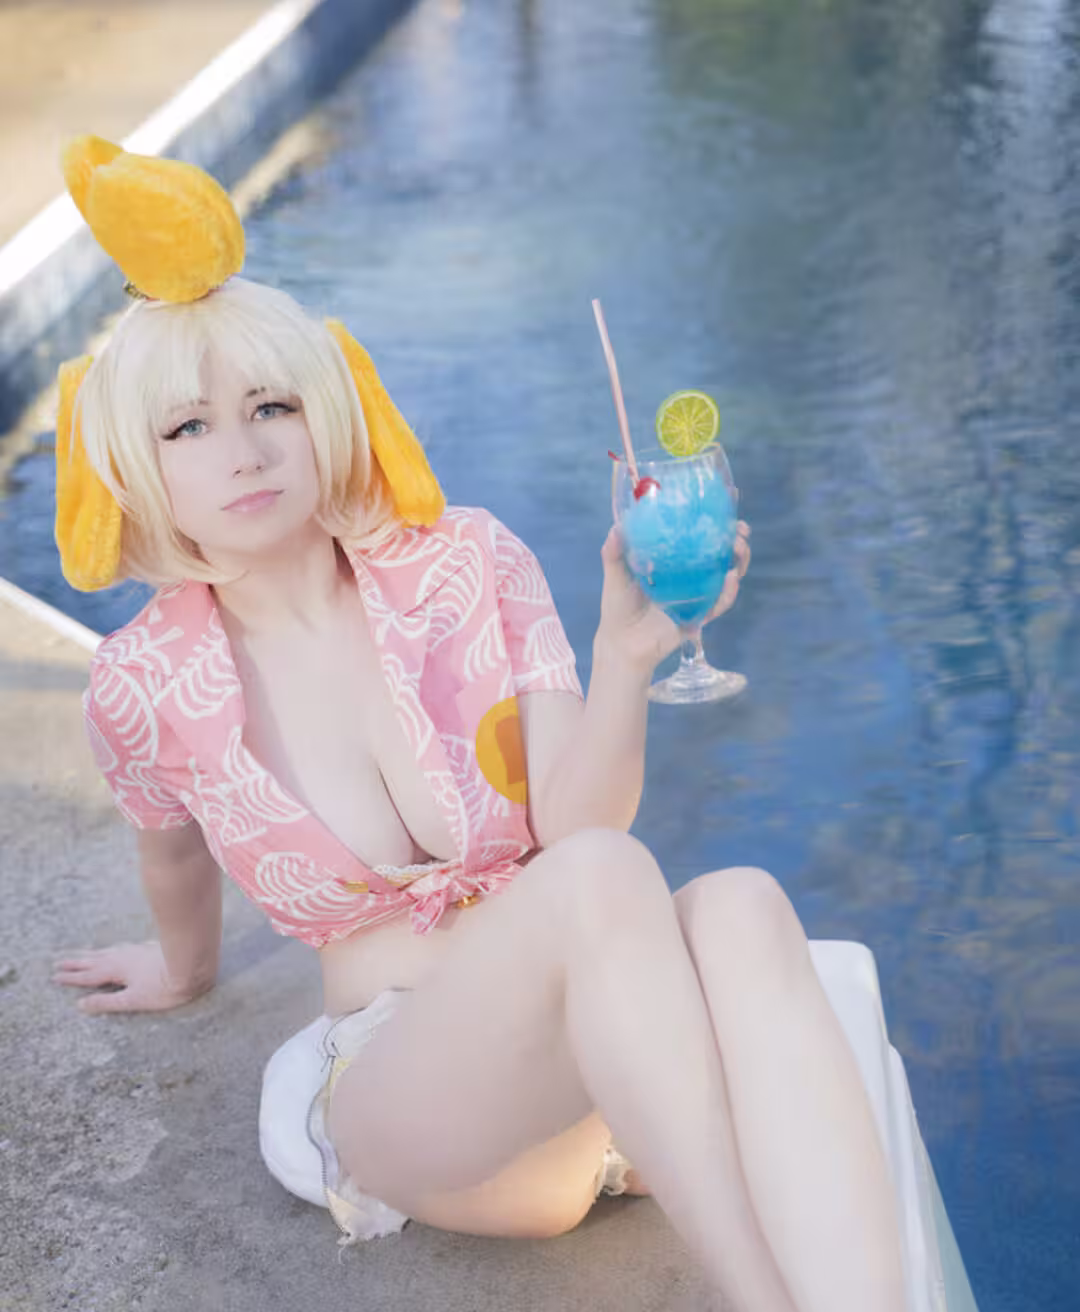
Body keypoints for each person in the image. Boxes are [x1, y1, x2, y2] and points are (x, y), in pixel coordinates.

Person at [52, 136, 908, 1312]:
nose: (242, 452)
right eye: (186, 429)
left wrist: (624, 656)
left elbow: (582, 826)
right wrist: (182, 970)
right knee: (603, 880)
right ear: (136, 464)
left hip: (596, 1053)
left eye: (270, 406)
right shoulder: (145, 681)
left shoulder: (466, 563)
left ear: (323, 409)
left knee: (745, 901)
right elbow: (170, 851)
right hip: (414, 1092)